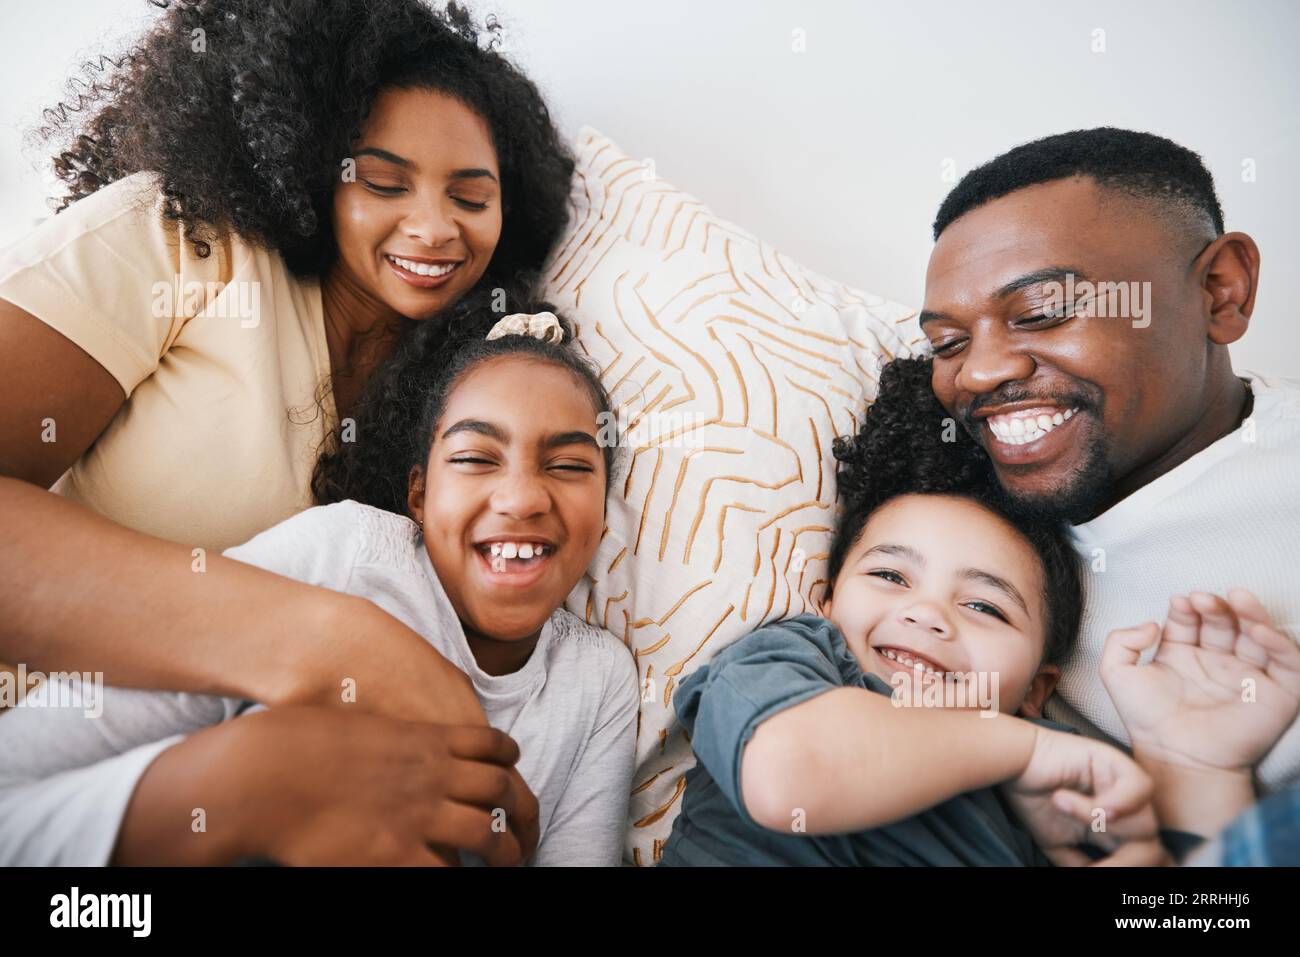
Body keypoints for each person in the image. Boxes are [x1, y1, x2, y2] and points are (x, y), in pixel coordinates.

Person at [0, 0, 573, 863]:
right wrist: (321, 640)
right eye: (383, 182)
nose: (433, 226)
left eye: (471, 196)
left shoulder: (464, 388)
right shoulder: (183, 241)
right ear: (309, 164)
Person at [0, 310, 640, 866]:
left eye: (569, 466)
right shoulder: (341, 558)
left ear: (606, 510)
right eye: (474, 459)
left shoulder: (599, 677)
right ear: (418, 494)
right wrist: (241, 785)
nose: (524, 497)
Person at [659, 357, 1167, 866]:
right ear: (828, 604)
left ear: (1037, 689)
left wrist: (1199, 763)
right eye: (890, 576)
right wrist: (1026, 752)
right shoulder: (792, 661)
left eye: (984, 606)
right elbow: (786, 774)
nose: (927, 614)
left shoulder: (1053, 774)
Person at [918, 127, 1300, 796]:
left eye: (1043, 310)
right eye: (948, 342)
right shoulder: (949, 527)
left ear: (1220, 291)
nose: (977, 372)